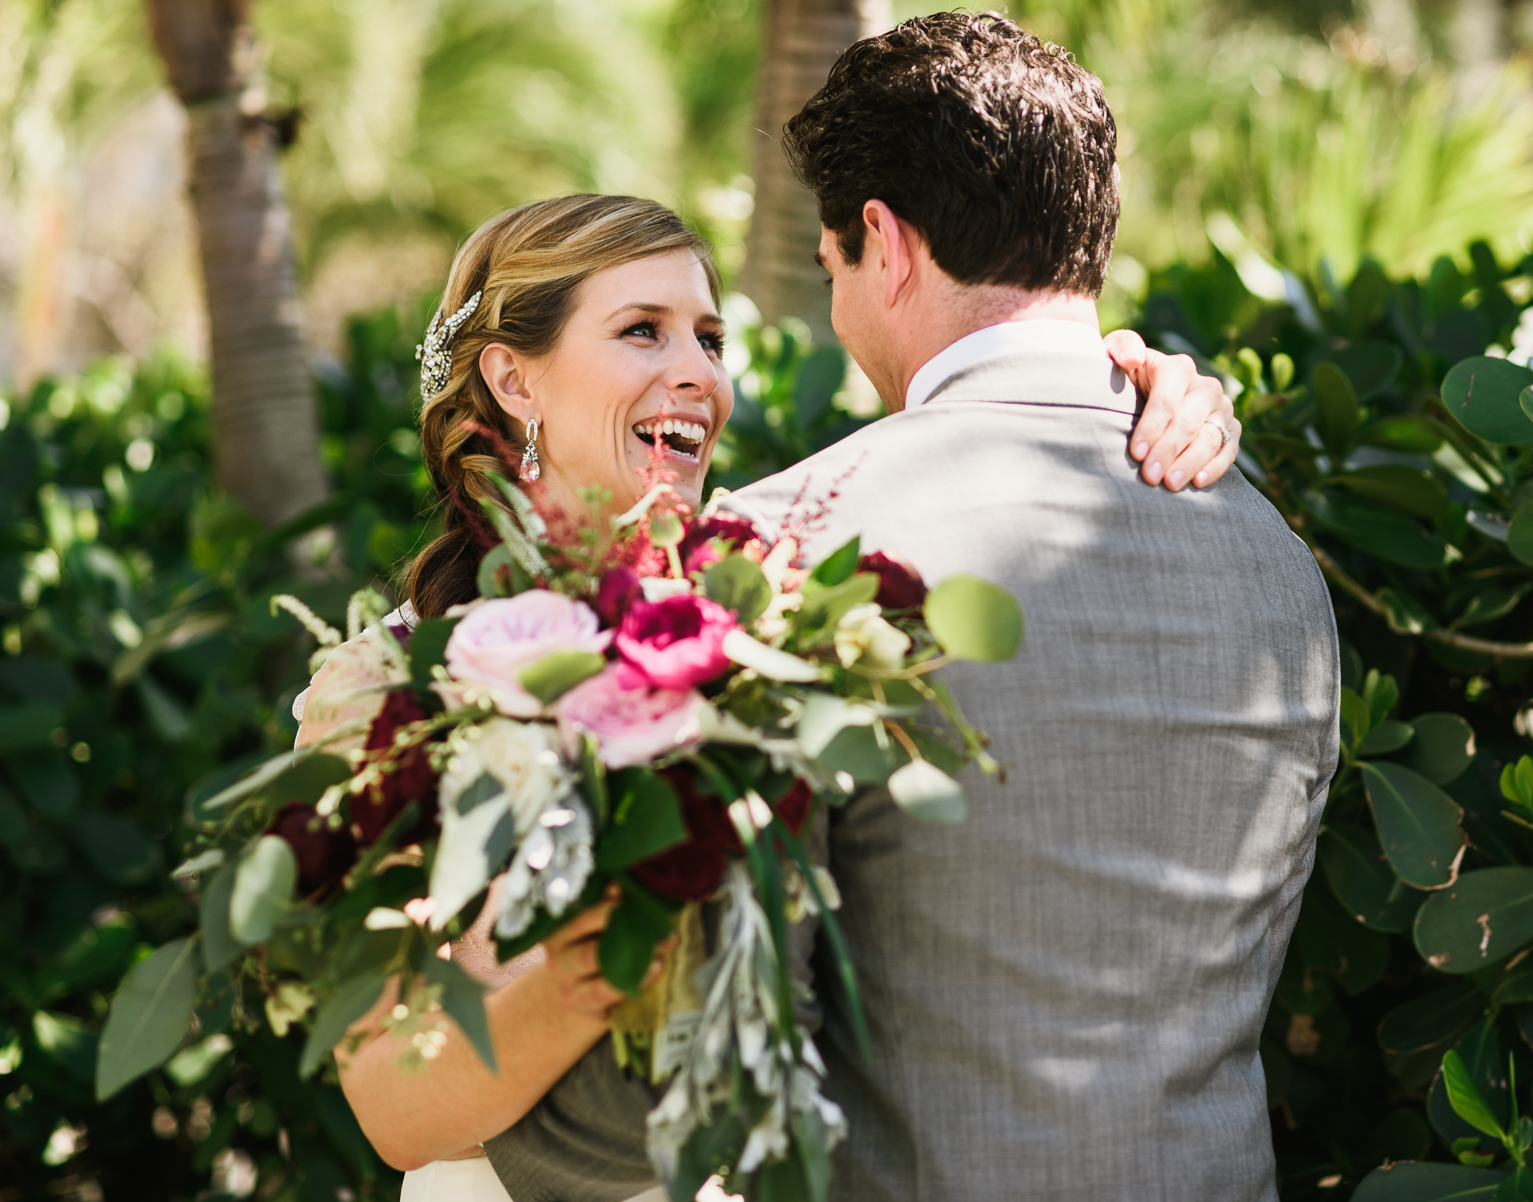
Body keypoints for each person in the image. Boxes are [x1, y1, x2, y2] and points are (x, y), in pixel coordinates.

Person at [296, 191, 1242, 1202]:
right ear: (513, 376)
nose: (697, 372)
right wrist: (616, 949)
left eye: (709, 336)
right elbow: (394, 1109)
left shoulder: (777, 605)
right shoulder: (385, 688)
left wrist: (1129, 381)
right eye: (641, 331)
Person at [721, 14, 1340, 1201]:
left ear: (884, 245)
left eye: (831, 264)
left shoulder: (782, 541)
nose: (841, 309)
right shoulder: (1273, 554)